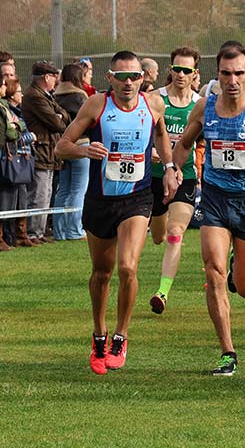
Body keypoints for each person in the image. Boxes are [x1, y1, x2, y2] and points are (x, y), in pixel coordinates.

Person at [55, 50, 179, 375]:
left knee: (128, 267)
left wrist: (168, 166)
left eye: (134, 77)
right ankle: (99, 335)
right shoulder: (96, 105)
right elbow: (61, 146)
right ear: (109, 78)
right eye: (121, 77)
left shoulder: (153, 105)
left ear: (143, 78)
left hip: (136, 200)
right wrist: (84, 150)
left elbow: (163, 134)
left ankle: (121, 336)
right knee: (102, 274)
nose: (128, 83)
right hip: (100, 201)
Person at [172, 43, 245, 376]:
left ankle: (239, 261)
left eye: (239, 73)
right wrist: (174, 170)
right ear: (216, 75)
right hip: (216, 202)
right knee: (213, 271)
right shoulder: (204, 108)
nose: (233, 80)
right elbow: (183, 145)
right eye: (226, 73)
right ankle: (227, 352)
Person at [147, 46, 202, 314]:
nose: (180, 74)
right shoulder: (155, 99)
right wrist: (153, 152)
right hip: (155, 177)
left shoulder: (199, 105)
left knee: (175, 231)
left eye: (186, 70)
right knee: (158, 235)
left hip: (185, 176)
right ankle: (157, 225)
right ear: (170, 70)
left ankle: (162, 292)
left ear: (195, 74)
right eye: (176, 69)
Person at [22, 60, 70, 243]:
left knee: (46, 193)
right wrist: (58, 117)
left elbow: (63, 114)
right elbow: (57, 123)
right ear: (46, 77)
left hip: (49, 151)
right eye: (53, 77)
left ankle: (39, 232)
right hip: (41, 150)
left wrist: (59, 116)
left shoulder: (46, 95)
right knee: (38, 195)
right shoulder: (35, 96)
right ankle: (33, 232)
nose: (55, 82)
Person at [53, 64, 90, 241]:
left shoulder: (55, 95)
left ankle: (59, 232)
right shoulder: (79, 96)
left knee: (63, 190)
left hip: (61, 148)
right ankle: (75, 230)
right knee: (78, 190)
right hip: (81, 146)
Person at [2, 78, 38, 248]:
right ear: (10, 95)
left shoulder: (18, 112)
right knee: (6, 199)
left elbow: (18, 129)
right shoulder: (5, 110)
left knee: (21, 198)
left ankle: (20, 235)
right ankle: (4, 236)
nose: (22, 94)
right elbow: (11, 134)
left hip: (22, 160)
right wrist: (29, 136)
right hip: (10, 160)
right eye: (18, 91)